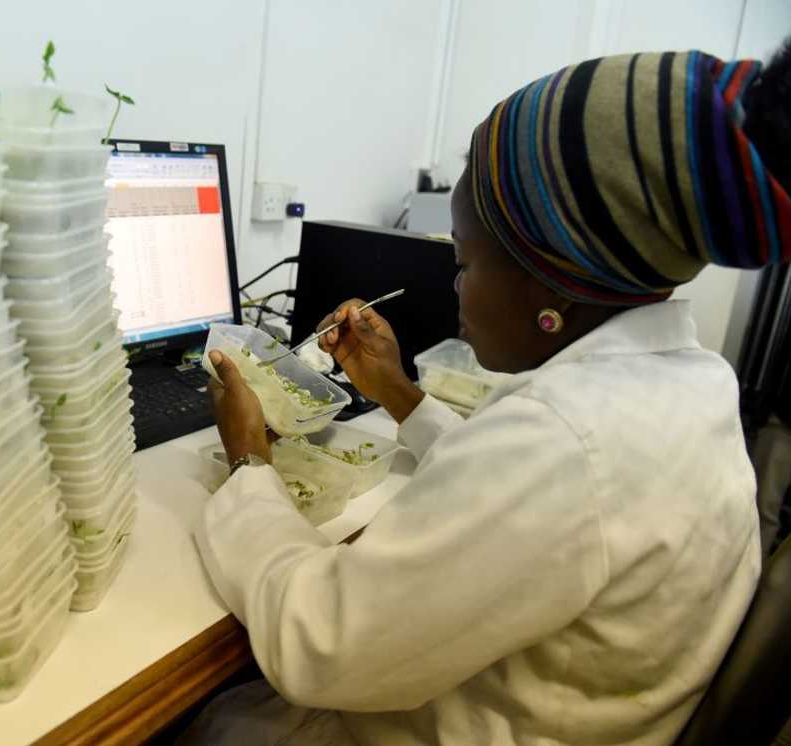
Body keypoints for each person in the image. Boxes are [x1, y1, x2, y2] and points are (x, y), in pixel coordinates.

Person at [180, 42, 791, 746]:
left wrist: (249, 460)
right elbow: (513, 491)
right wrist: (399, 394)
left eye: (465, 260)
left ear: (553, 284)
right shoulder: (695, 382)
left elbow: (315, 644)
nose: (455, 286)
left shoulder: (563, 440)